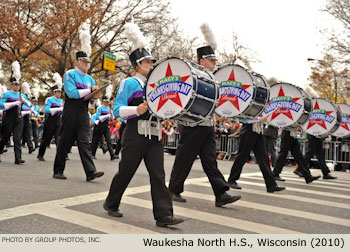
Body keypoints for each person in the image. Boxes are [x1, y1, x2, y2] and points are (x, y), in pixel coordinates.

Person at [104, 46, 184, 227]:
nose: (151, 64)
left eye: (152, 62)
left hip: (154, 135)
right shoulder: (130, 83)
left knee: (158, 174)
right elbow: (117, 110)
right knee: (126, 171)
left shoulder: (157, 84)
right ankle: (111, 202)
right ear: (137, 65)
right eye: (147, 62)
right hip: (135, 134)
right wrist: (136, 109)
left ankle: (164, 215)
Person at [168, 45, 241, 206]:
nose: (214, 62)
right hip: (193, 124)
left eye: (215, 60)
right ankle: (173, 190)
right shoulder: (194, 76)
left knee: (209, 160)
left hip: (207, 124)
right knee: (184, 159)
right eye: (211, 60)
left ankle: (220, 193)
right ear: (202, 61)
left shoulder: (212, 78)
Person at [52, 51, 104, 181]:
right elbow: (72, 93)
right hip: (71, 111)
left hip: (83, 112)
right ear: (77, 62)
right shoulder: (70, 74)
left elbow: (91, 101)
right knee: (64, 141)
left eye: (87, 61)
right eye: (83, 61)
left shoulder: (90, 79)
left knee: (84, 142)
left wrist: (95, 96)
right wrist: (90, 91)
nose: (86, 64)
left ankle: (90, 172)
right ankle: (58, 170)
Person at [227, 116, 286, 193]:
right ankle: (232, 180)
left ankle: (271, 185)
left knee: (264, 158)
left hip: (259, 131)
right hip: (248, 129)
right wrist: (257, 119)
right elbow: (242, 117)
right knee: (242, 156)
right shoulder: (248, 104)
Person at [0, 77, 30, 164]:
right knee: (5, 137)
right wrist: (14, 103)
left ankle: (18, 158)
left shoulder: (21, 95)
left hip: (18, 118)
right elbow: (1, 104)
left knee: (17, 138)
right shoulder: (7, 94)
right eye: (15, 84)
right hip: (9, 117)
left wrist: (25, 101)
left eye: (18, 85)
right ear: (11, 85)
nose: (16, 86)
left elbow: (29, 104)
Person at [37, 85, 63, 161]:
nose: (59, 93)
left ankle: (61, 156)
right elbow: (47, 110)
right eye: (57, 92)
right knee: (46, 139)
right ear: (54, 92)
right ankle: (40, 154)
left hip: (58, 120)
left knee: (59, 138)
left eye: (60, 92)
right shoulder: (49, 99)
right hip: (50, 120)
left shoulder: (61, 101)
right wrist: (59, 109)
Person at [91, 96, 117, 160]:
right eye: (105, 102)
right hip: (100, 125)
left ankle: (112, 155)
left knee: (108, 140)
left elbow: (112, 118)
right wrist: (106, 116)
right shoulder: (99, 108)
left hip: (106, 125)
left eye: (107, 102)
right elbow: (97, 117)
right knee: (96, 140)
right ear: (103, 102)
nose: (106, 103)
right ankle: (92, 154)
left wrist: (111, 114)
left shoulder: (109, 109)